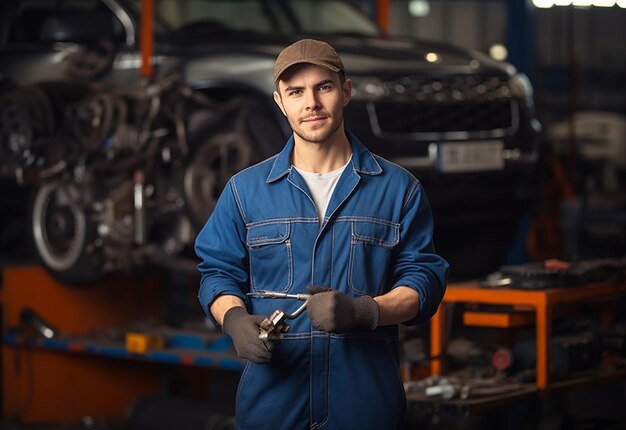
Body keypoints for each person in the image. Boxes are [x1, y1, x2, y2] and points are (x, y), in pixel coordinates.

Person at [195, 38, 449, 430]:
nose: (310, 103)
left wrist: (367, 311)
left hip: (364, 404)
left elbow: (425, 281)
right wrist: (233, 319)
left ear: (345, 92)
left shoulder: (399, 190)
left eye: (323, 87)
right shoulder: (244, 192)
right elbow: (217, 271)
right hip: (273, 403)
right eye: (296, 92)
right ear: (280, 102)